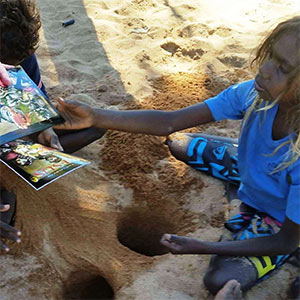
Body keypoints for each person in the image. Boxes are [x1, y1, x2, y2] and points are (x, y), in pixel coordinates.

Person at [54, 15, 300, 298]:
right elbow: (169, 122)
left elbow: (285, 241)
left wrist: (204, 246)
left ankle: (246, 194)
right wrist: (96, 116)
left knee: (219, 279)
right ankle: (244, 181)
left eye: (282, 68)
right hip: (254, 172)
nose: (265, 70)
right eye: (270, 55)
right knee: (180, 143)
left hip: (281, 220)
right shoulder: (253, 95)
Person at [0, 0, 106, 251]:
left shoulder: (13, 47)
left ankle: (14, 163)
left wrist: (44, 127)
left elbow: (33, 94)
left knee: (94, 126)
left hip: (10, 130)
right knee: (5, 208)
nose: (9, 73)